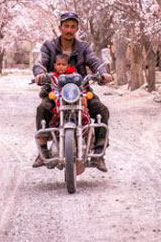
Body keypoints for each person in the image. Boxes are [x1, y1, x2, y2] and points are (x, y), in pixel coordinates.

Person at [32, 11, 114, 171]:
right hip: (55, 90)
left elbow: (94, 61)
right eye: (66, 26)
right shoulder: (49, 46)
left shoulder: (84, 47)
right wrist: (40, 74)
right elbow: (40, 62)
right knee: (42, 109)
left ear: (77, 29)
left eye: (73, 27)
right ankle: (42, 151)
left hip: (81, 90)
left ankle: (99, 152)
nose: (69, 30)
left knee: (101, 109)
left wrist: (103, 72)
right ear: (60, 27)